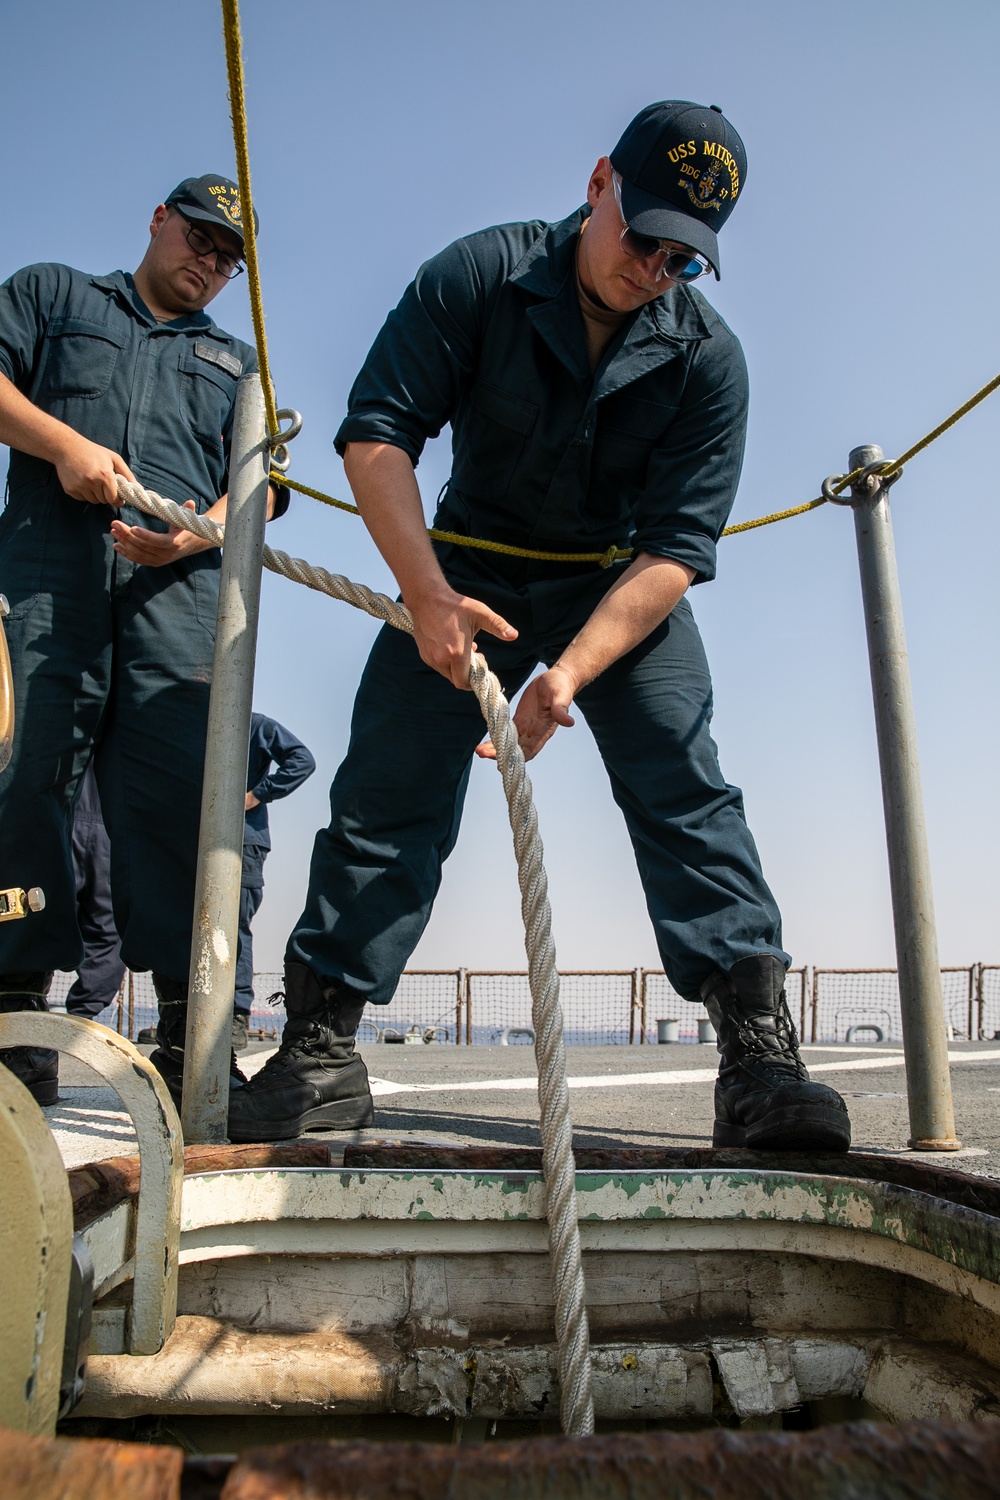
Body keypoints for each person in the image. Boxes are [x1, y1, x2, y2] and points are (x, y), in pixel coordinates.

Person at [226, 102, 851, 1153]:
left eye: (682, 260)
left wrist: (568, 677)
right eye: (642, 235)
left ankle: (757, 1060)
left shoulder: (709, 360)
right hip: (466, 564)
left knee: (682, 783)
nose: (652, 267)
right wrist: (424, 594)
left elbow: (676, 551)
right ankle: (321, 1053)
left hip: (617, 586)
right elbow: (378, 433)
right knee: (388, 785)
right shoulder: (479, 274)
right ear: (599, 181)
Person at [0, 174, 289, 1105]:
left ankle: (185, 1037)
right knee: (22, 781)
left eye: (227, 257)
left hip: (183, 597)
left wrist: (194, 532)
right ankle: (15, 1029)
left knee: (183, 806)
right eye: (199, 237)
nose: (208, 262)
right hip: (50, 578)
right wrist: (61, 446)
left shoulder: (241, 364)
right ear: (159, 219)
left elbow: (265, 489)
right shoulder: (53, 294)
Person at [233, 712, 316, 1048]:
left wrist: (257, 794)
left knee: (233, 928)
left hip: (243, 841)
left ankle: (235, 1018)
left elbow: (302, 760)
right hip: (192, 839)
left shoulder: (253, 724)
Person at [64, 763, 126, 1024]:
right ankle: (80, 1016)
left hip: (58, 815)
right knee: (110, 929)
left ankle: (23, 998)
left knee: (37, 912)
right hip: (111, 825)